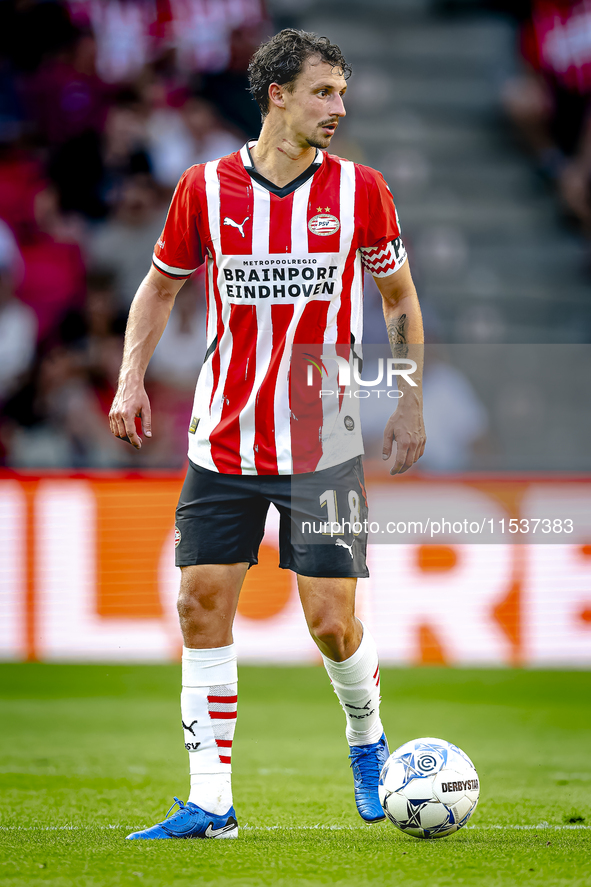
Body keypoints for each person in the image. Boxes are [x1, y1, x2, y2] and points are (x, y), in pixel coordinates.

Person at [109, 28, 425, 840]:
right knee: (200, 602)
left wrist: (409, 399)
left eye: (343, 93)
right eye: (324, 92)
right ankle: (211, 801)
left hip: (324, 440)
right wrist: (130, 375)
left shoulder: (361, 191)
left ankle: (365, 736)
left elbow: (398, 300)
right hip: (224, 440)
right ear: (277, 94)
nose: (338, 108)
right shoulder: (203, 189)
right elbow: (157, 288)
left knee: (329, 620)